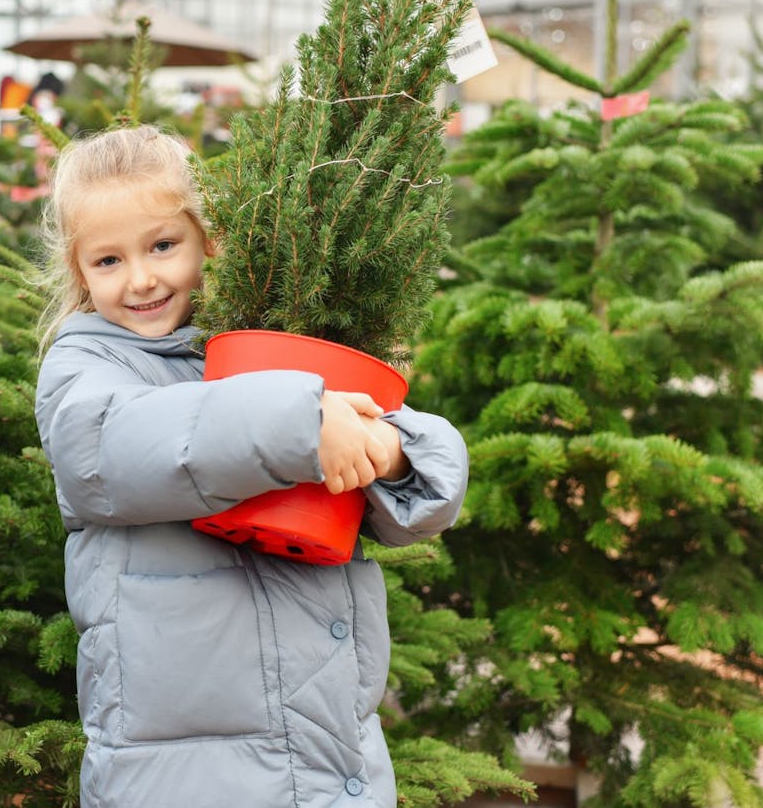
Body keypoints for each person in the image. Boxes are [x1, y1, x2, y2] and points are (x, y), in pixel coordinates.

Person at [33, 124, 468, 807]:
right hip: (177, 776)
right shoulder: (85, 367)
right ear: (79, 272)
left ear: (209, 241)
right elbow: (109, 451)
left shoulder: (264, 341)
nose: (141, 277)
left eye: (163, 245)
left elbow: (433, 491)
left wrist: (389, 449)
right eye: (108, 260)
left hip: (331, 757)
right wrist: (300, 421)